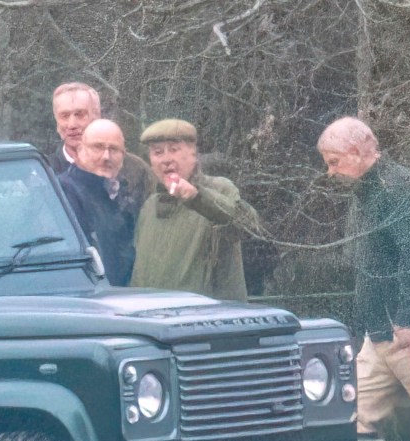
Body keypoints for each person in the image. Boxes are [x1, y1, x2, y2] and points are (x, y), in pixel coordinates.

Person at [317, 116, 410, 438]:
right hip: (380, 334)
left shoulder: (395, 189)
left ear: (356, 152)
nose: (330, 172)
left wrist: (407, 319)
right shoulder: (367, 192)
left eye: (334, 162)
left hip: (406, 334)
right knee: (354, 422)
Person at [130, 119, 261, 302]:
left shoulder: (219, 189)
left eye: (174, 150)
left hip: (208, 321)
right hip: (158, 322)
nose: (166, 159)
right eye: (158, 152)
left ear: (193, 154)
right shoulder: (150, 206)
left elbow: (249, 228)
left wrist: (197, 198)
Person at [58, 119, 140, 285]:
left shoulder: (123, 193)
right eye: (98, 147)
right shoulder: (65, 193)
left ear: (123, 156)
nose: (106, 156)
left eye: (114, 149)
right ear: (80, 149)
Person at [49, 82, 155, 200]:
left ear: (97, 116)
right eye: (64, 116)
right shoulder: (45, 172)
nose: (72, 124)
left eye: (80, 115)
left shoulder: (136, 170)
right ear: (56, 121)